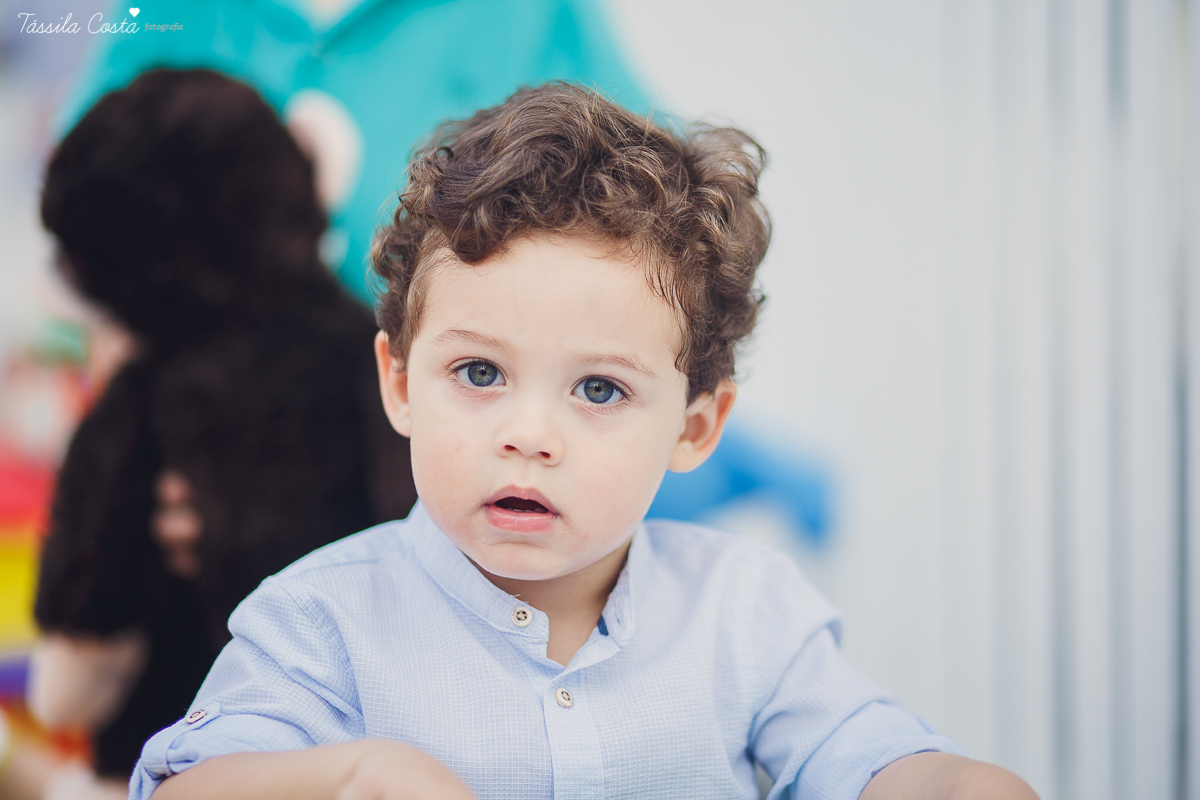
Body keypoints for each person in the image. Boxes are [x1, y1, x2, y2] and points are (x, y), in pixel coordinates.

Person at [130, 83, 1039, 800]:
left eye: (599, 389)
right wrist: (345, 778)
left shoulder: (745, 614)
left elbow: (868, 758)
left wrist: (963, 783)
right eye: (479, 373)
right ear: (400, 384)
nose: (528, 435)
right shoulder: (320, 623)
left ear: (693, 428)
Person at [29, 69, 418, 799]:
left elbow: (72, 672)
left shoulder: (148, 389)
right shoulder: (368, 354)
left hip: (187, 734)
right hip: (356, 719)